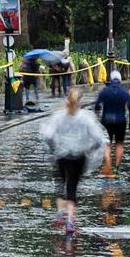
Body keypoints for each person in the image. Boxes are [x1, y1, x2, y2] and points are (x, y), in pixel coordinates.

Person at [40, 88, 108, 235]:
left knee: (60, 184)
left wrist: (54, 148)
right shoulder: (86, 118)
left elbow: (48, 135)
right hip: (79, 157)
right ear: (80, 101)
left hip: (61, 156)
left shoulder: (59, 116)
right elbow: (98, 139)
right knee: (72, 188)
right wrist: (89, 149)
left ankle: (59, 212)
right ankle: (70, 220)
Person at [94, 71, 130, 174]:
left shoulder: (104, 91)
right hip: (121, 120)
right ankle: (117, 166)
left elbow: (97, 106)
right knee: (119, 143)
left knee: (107, 143)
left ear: (110, 80)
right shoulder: (124, 92)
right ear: (120, 80)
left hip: (106, 120)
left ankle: (108, 163)